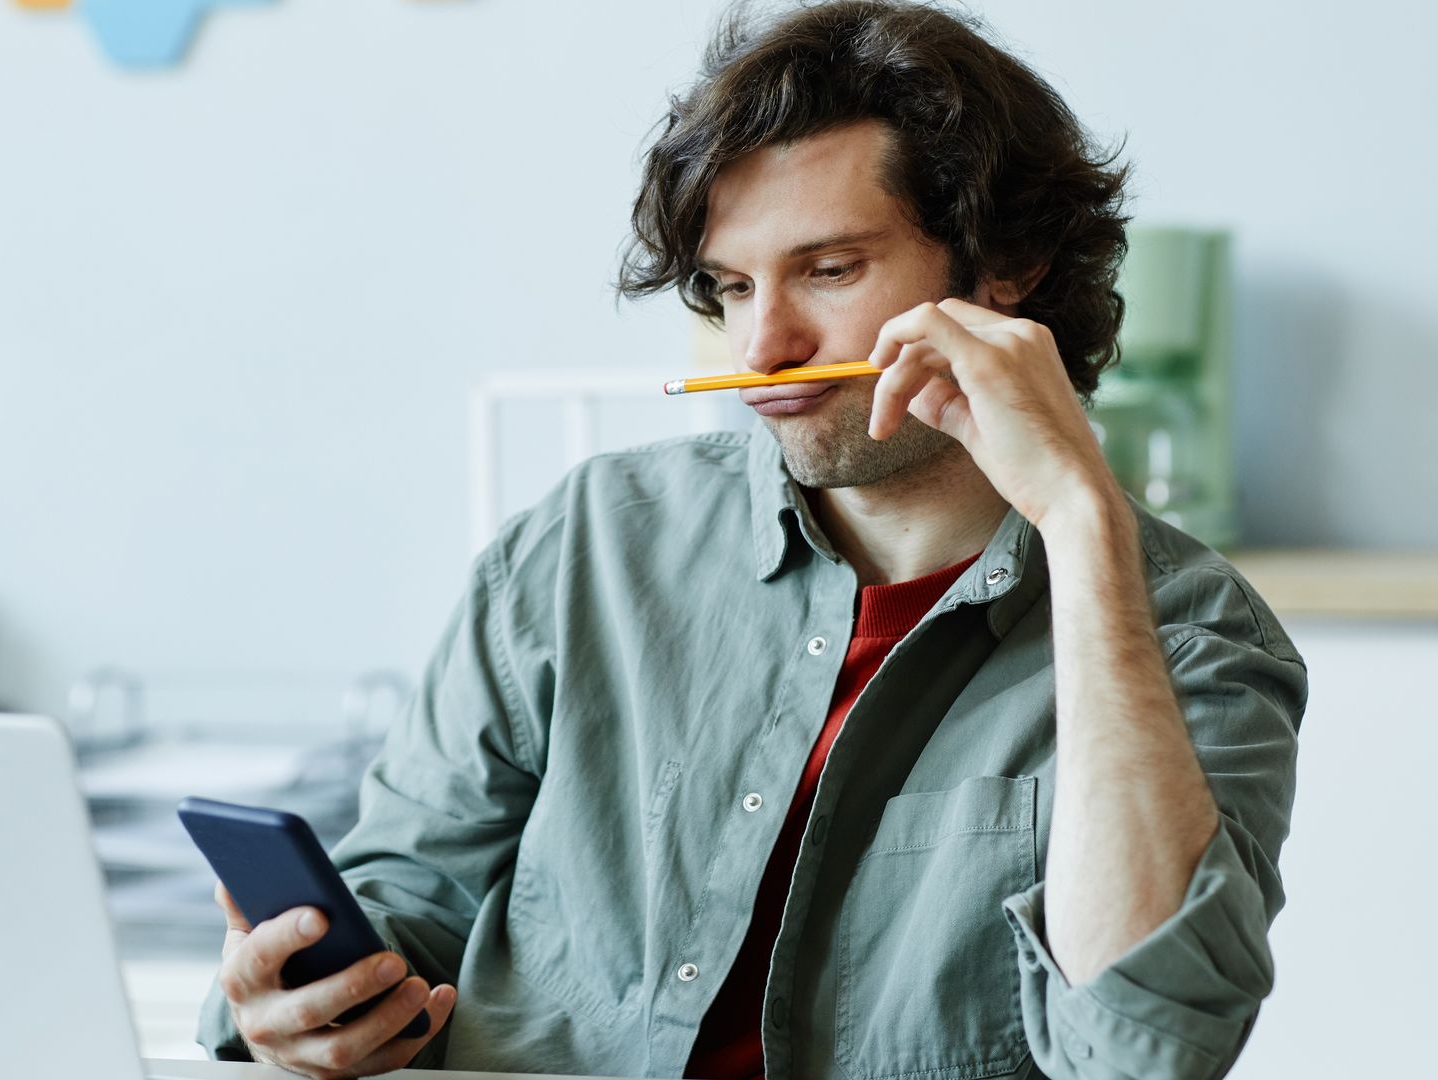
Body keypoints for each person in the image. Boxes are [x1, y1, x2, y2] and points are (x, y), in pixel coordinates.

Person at [198, 2, 1306, 1077]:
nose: (761, 347)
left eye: (829, 271)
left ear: (1002, 265)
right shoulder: (590, 542)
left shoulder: (1190, 628)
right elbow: (409, 898)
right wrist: (290, 998)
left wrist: (1080, 521)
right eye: (731, 287)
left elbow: (1145, 1047)